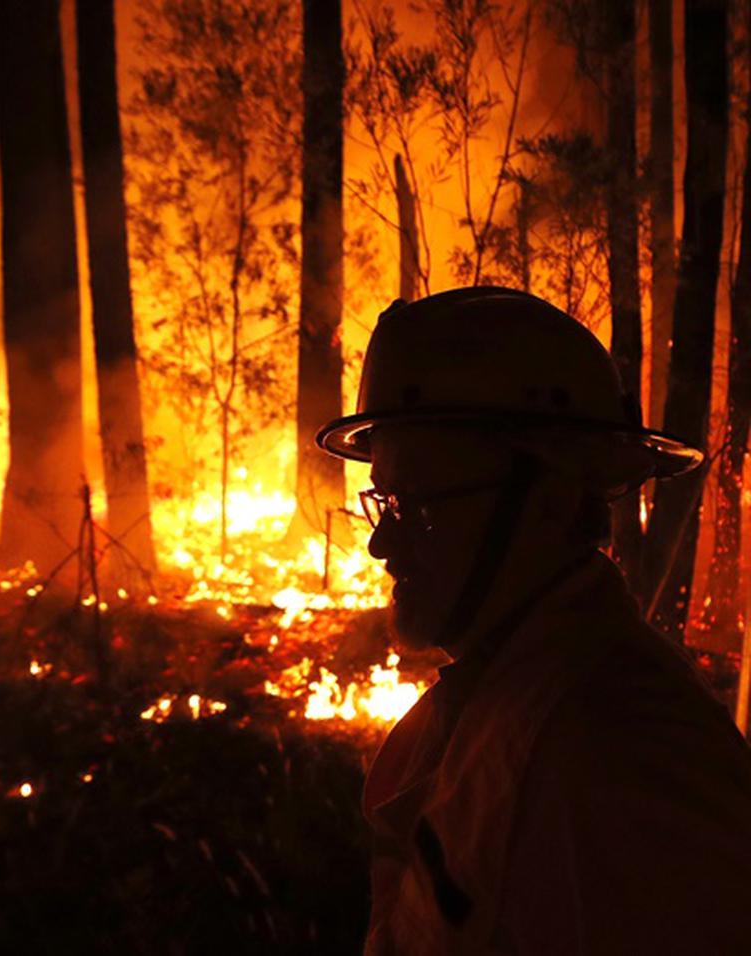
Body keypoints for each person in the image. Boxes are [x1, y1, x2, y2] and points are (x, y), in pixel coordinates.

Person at [315, 287, 751, 955]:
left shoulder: (624, 750)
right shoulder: (500, 698)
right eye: (388, 501)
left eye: (421, 506)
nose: (381, 545)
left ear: (548, 501)